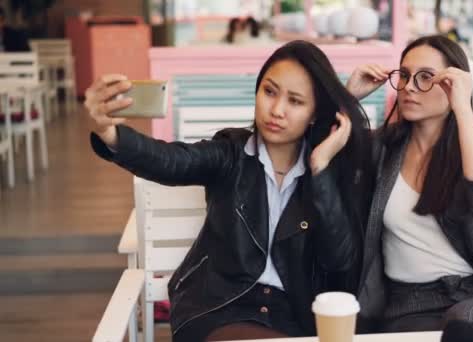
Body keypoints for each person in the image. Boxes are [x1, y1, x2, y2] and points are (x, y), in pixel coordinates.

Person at [85, 40, 372, 341]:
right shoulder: (230, 154)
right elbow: (170, 161)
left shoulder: (326, 167)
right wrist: (110, 133)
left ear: (314, 113)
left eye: (296, 101)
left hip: (293, 319)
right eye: (269, 91)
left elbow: (340, 260)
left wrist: (321, 167)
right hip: (221, 309)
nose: (276, 110)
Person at [345, 35, 473, 333]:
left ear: (452, 84)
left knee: (465, 323)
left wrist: (462, 107)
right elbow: (316, 157)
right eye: (405, 75)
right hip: (408, 305)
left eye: (426, 77)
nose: (410, 87)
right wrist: (348, 98)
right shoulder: (381, 148)